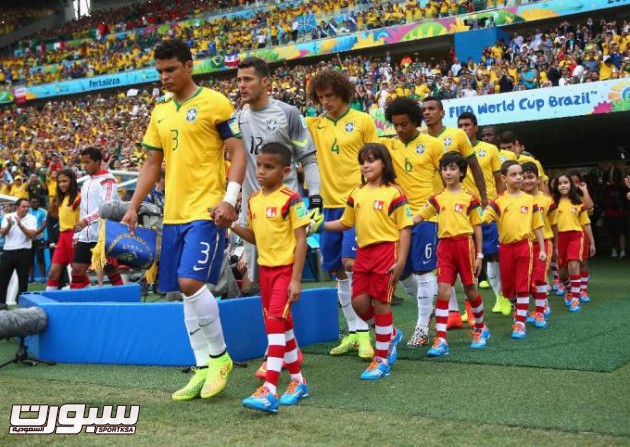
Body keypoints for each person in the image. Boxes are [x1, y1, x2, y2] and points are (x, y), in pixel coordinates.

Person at [121, 39, 246, 402]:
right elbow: (151, 164)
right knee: (182, 293)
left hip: (207, 210)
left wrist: (230, 199)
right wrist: (133, 205)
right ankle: (202, 367)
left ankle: (221, 358)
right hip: (172, 214)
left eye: (171, 69)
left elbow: (237, 153)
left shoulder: (215, 102)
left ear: (189, 66)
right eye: (159, 71)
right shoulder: (159, 113)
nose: (164, 76)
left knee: (191, 282)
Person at [236, 57, 320, 376]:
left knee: (282, 287)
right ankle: (289, 351)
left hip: (286, 214)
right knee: (262, 287)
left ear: (265, 81)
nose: (242, 85)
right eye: (239, 80)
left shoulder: (288, 114)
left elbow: (308, 158)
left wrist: (316, 201)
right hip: (254, 213)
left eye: (248, 79)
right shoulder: (237, 120)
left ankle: (275, 359)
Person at [321, 143, 411, 380]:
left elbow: (405, 228)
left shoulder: (395, 192)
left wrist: (401, 260)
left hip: (386, 252)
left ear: (384, 163)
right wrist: (316, 225)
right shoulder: (356, 192)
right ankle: (389, 334)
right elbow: (344, 223)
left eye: (371, 160)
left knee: (381, 302)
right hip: (364, 253)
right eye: (363, 161)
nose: (366, 165)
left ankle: (381, 359)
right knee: (359, 302)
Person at [232, 143, 310, 413]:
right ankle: (298, 381)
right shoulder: (253, 199)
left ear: (286, 171)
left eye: (270, 166)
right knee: (284, 327)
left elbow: (302, 242)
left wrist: (296, 278)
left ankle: (269, 390)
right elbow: (256, 237)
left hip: (285, 272)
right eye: (260, 165)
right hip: (265, 272)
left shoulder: (292, 200)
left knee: (275, 326)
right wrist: (231, 224)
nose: (262, 171)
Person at [306, 69, 379, 359]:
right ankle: (353, 331)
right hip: (326, 205)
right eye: (320, 97)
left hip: (357, 203)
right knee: (336, 269)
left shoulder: (363, 121)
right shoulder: (313, 125)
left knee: (351, 263)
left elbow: (377, 159)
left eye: (330, 96)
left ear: (343, 93)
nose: (325, 102)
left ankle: (366, 334)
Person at [412, 151, 490, 357]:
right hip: (444, 247)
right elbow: (418, 217)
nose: (448, 172)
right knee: (444, 290)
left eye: (453, 168)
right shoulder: (437, 198)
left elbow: (477, 227)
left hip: (465, 246)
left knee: (470, 290)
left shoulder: (470, 198)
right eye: (445, 168)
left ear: (462, 172)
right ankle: (441, 339)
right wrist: (395, 220)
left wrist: (480, 255)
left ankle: (481, 329)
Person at [380, 97, 442, 348]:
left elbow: (448, 178)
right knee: (401, 271)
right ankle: (428, 310)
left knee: (424, 271)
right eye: (395, 125)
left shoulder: (433, 145)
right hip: (398, 219)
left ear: (415, 121)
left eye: (404, 124)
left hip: (426, 217)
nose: (400, 129)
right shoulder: (389, 147)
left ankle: (421, 327)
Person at [421, 96, 487, 329]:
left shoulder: (458, 135)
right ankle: (452, 313)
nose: (427, 113)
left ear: (441, 112)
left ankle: (473, 309)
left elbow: (475, 166)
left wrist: (484, 197)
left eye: (431, 109)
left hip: (461, 206)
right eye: (424, 109)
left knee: (466, 268)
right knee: (442, 268)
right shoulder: (420, 137)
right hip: (435, 208)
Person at [481, 161, 546, 339]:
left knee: (522, 285)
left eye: (521, 174)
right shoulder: (498, 201)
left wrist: (542, 249)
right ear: (504, 178)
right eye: (514, 174)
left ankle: (520, 323)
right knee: (508, 289)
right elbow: (483, 219)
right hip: (505, 248)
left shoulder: (529, 199)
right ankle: (520, 309)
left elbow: (538, 225)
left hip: (525, 246)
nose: (519, 177)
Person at [457, 113, 511, 319]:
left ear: (475, 127)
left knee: (493, 254)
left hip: (486, 208)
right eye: (460, 125)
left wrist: (499, 202)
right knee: (467, 257)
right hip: (462, 210)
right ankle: (469, 308)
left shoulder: (489, 149)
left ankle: (501, 297)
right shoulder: (455, 150)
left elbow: (498, 178)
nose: (464, 128)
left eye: (468, 125)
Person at [71, 147, 122, 290]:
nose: (84, 165)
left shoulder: (109, 180)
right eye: (82, 162)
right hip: (86, 235)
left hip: (103, 234)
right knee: (77, 269)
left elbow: (106, 207)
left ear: (98, 162)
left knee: (110, 270)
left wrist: (86, 220)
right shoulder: (87, 182)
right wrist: (78, 234)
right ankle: (76, 305)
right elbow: (83, 210)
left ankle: (126, 303)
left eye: (87, 162)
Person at [551, 173, 596, 313]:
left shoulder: (578, 202)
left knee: (574, 264)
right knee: (562, 272)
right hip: (559, 238)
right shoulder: (552, 203)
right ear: (555, 186)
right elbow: (551, 225)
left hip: (577, 236)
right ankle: (569, 289)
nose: (563, 185)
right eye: (560, 183)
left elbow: (586, 225)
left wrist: (593, 243)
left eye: (566, 182)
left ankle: (575, 298)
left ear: (571, 185)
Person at [521, 162, 555, 328]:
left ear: (538, 179)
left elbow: (555, 224)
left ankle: (540, 312)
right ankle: (541, 303)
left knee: (539, 278)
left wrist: (557, 248)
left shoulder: (547, 200)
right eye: (524, 177)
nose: (527, 181)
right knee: (527, 281)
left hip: (544, 244)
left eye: (531, 177)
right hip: (525, 245)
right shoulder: (519, 200)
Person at [0, 198, 37, 309]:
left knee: (23, 280)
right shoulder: (8, 216)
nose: (26, 209)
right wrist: (10, 225)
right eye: (23, 206)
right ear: (17, 207)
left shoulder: (32, 218)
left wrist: (20, 225)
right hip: (8, 251)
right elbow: (2, 233)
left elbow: (32, 235)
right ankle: (1, 304)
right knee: (2, 279)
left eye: (27, 207)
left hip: (24, 251)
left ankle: (22, 304)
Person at [46, 169, 80, 291]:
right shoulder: (61, 199)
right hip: (62, 237)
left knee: (77, 273)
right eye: (59, 182)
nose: (61, 184)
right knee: (53, 273)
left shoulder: (78, 198)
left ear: (72, 181)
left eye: (65, 181)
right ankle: (48, 303)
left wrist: (78, 237)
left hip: (74, 236)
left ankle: (82, 299)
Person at [568, 171, 595, 302]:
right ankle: (569, 288)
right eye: (570, 181)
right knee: (565, 266)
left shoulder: (580, 197)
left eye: (576, 181)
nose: (574, 184)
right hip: (564, 235)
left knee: (582, 262)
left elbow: (590, 206)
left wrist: (584, 190)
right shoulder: (559, 198)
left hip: (581, 233)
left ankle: (582, 290)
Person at [27, 197, 48, 282]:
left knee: (40, 258)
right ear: (30, 203)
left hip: (39, 238)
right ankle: (31, 278)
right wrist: (31, 234)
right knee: (30, 258)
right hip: (29, 238)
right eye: (33, 202)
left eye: (36, 202)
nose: (35, 203)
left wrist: (35, 233)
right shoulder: (27, 211)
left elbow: (44, 225)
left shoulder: (43, 212)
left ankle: (43, 277)